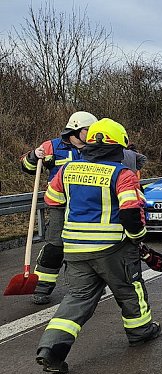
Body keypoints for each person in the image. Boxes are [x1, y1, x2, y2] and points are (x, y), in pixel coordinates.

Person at [36, 118, 160, 374]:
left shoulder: (67, 170)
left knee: (77, 299)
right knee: (129, 289)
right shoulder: (121, 174)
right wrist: (139, 239)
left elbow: (52, 201)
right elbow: (130, 213)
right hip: (112, 248)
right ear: (119, 147)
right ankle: (140, 331)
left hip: (75, 249)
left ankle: (50, 349)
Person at [20, 111, 98, 305]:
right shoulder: (52, 147)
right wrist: (33, 156)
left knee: (87, 249)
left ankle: (87, 287)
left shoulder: (97, 149)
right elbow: (27, 167)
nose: (93, 135)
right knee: (55, 246)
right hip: (60, 206)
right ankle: (42, 287)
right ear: (77, 129)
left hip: (88, 206)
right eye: (89, 131)